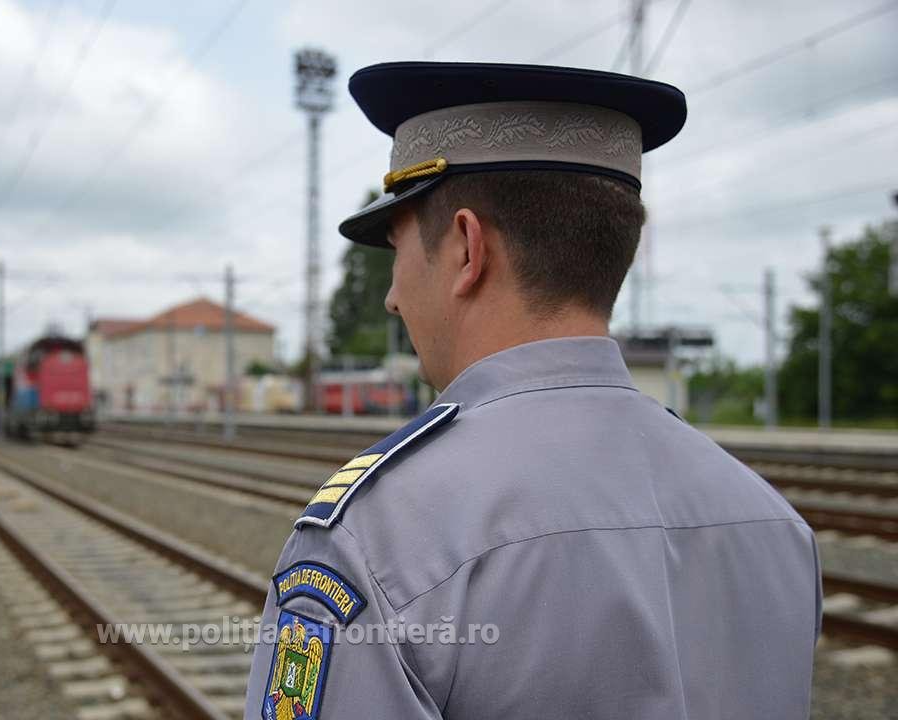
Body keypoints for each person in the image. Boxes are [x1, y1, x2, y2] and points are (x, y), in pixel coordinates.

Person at [244, 62, 821, 720]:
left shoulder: (377, 538)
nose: (392, 297)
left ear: (466, 247)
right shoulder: (773, 522)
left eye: (398, 251)